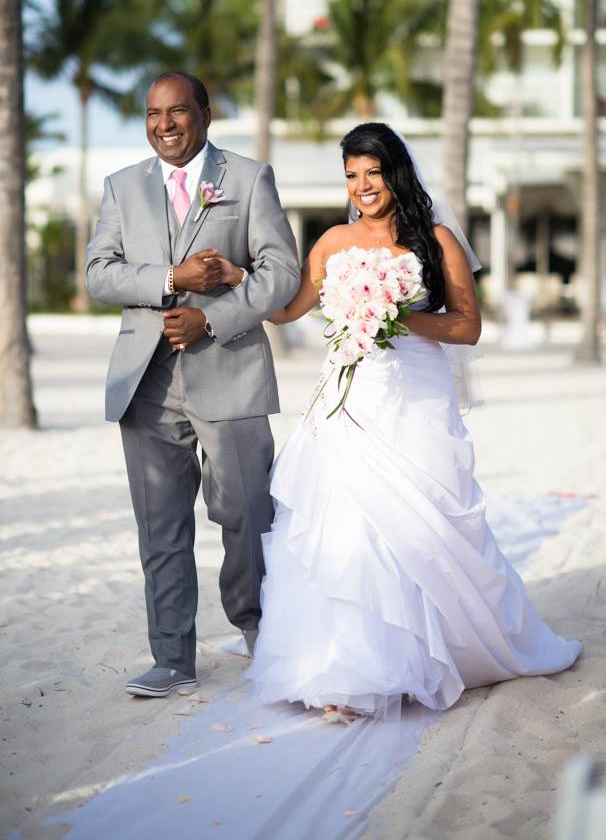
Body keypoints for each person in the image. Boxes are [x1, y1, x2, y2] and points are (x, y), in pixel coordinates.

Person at [222, 122, 581, 720]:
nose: (363, 186)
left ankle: (440, 650)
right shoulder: (333, 242)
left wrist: (394, 313)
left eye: (373, 172)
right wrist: (240, 279)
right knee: (344, 526)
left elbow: (467, 325)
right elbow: (287, 312)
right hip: (348, 399)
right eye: (352, 175)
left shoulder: (436, 240)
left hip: (415, 396)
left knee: (423, 524)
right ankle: (345, 665)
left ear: (396, 173)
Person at [85, 71, 300, 698]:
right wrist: (170, 279)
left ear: (205, 114)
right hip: (145, 383)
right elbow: (100, 274)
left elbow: (281, 271)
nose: (165, 125)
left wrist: (215, 316)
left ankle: (265, 636)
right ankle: (173, 657)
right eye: (153, 114)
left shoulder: (248, 177)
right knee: (161, 526)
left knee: (246, 512)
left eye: (178, 111)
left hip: (229, 368)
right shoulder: (121, 187)